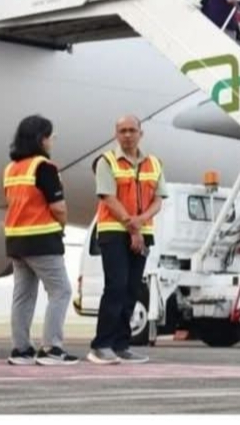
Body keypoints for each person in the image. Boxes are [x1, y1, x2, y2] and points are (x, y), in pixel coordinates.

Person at [89, 115, 167, 365]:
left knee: (133, 288)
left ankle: (121, 344)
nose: (127, 135)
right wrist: (133, 227)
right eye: (122, 131)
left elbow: (159, 199)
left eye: (132, 130)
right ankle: (101, 345)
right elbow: (108, 197)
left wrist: (141, 222)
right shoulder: (107, 161)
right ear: (116, 134)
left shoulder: (154, 163)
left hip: (142, 231)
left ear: (140, 134)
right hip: (114, 231)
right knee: (116, 286)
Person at [3, 115, 77, 366]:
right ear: (40, 139)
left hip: (16, 240)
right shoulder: (44, 167)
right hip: (41, 239)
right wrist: (62, 226)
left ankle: (21, 349)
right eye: (50, 136)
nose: (51, 141)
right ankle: (52, 348)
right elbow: (58, 208)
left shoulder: (11, 169)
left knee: (23, 295)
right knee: (61, 291)